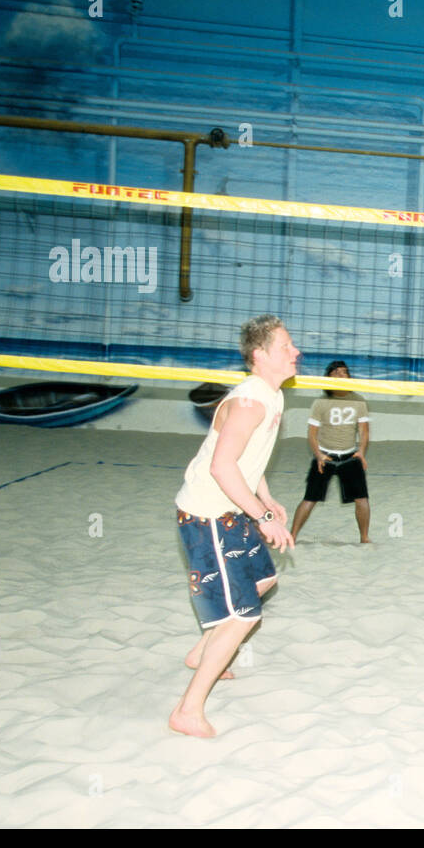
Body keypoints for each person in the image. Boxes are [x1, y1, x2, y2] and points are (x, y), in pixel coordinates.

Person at [170, 314, 299, 737]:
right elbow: (223, 467)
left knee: (262, 580)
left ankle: (201, 651)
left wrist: (266, 499)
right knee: (245, 615)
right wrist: (263, 519)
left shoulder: (273, 396)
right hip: (206, 515)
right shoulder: (250, 402)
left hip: (232, 510)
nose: (295, 352)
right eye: (285, 347)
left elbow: (248, 459)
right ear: (260, 356)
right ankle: (188, 711)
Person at [289, 360, 371, 544]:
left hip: (350, 456)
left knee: (362, 499)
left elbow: (364, 430)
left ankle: (364, 538)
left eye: (344, 372)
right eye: (336, 373)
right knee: (310, 499)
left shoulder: (358, 401)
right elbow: (311, 434)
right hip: (325, 456)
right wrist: (318, 455)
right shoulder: (321, 403)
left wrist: (361, 451)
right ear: (328, 378)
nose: (341, 375)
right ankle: (292, 535)